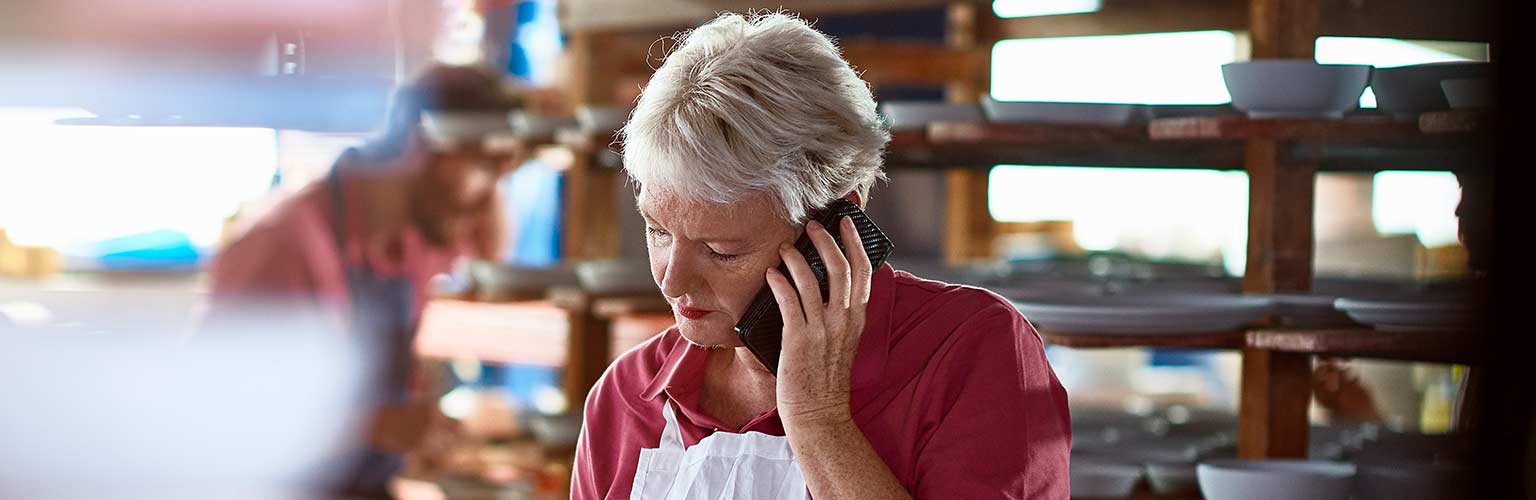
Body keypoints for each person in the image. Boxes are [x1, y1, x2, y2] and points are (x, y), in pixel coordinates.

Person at [571, 12, 1070, 500]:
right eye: (658, 231)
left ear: (839, 222)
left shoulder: (970, 352)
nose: (673, 281)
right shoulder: (627, 395)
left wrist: (817, 418)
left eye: (722, 251)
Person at [200, 65, 527, 498]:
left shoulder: (417, 230)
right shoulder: (283, 248)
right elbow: (227, 423)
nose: (492, 196)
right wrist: (380, 425)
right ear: (418, 147)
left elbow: (492, 252)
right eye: (486, 168)